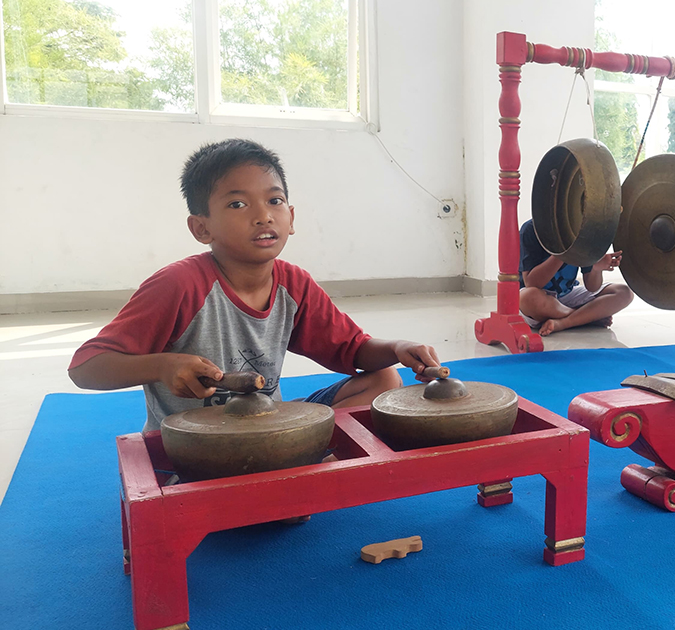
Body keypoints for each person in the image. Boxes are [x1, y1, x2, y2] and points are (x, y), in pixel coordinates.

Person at [68, 139, 441, 432]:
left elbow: (354, 350)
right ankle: (291, 476)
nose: (263, 215)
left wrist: (398, 347)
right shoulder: (178, 285)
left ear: (291, 218)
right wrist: (163, 366)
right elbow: (85, 368)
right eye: (237, 205)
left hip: (266, 426)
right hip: (193, 443)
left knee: (384, 379)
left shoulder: (293, 284)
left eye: (274, 200)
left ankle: (294, 468)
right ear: (202, 228)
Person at [518, 219, 634, 337]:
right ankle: (587, 318)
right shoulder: (532, 229)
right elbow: (531, 283)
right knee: (528, 298)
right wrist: (564, 252)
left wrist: (596, 269)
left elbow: (592, 287)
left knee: (624, 293)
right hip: (538, 297)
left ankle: (564, 323)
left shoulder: (584, 231)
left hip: (567, 295)